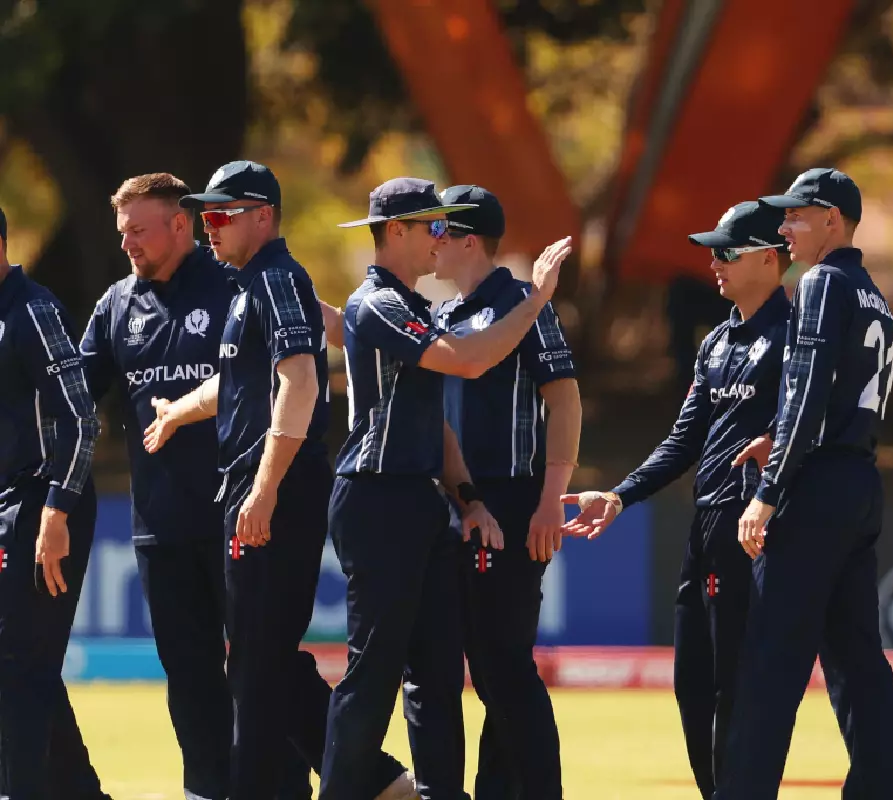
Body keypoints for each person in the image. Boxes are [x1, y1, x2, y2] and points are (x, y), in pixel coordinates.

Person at [141, 161, 413, 800]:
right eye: (205, 215)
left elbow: (300, 382)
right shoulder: (250, 285)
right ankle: (373, 781)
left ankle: (354, 781)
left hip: (278, 491)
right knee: (261, 662)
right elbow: (245, 386)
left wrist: (263, 492)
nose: (208, 228)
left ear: (262, 215)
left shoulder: (276, 278)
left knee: (258, 671)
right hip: (256, 489)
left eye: (220, 215)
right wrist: (178, 412)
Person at [319, 178, 571, 800]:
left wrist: (474, 499)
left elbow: (439, 423)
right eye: (430, 225)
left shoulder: (416, 306)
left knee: (443, 672)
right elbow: (467, 362)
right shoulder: (382, 303)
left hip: (431, 501)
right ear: (398, 231)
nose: (439, 237)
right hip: (377, 497)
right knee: (375, 676)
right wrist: (538, 296)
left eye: (446, 227)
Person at [80, 173, 312, 800]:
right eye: (122, 232)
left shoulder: (234, 285)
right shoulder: (116, 306)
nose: (127, 243)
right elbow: (75, 398)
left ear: (179, 224)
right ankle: (207, 790)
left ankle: (303, 784)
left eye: (139, 230)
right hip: (159, 526)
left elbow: (270, 381)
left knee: (263, 670)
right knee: (188, 678)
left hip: (235, 517)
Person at [564, 201, 790, 799]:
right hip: (706, 522)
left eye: (726, 253)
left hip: (753, 526)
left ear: (770, 259)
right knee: (693, 684)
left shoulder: (796, 338)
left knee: (735, 684)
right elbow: (683, 438)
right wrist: (619, 495)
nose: (711, 264)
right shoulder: (716, 340)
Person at [712, 169, 893, 800]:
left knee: (772, 661)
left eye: (797, 216)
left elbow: (808, 392)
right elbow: (845, 399)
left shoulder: (820, 282)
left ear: (832, 221)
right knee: (858, 663)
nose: (786, 227)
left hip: (813, 489)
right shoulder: (875, 295)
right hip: (858, 483)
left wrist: (769, 492)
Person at [431, 185, 581, 800]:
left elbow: (565, 397)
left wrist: (551, 498)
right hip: (457, 501)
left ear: (468, 239)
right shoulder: (441, 314)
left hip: (512, 498)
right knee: (485, 667)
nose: (429, 242)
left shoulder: (521, 302)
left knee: (503, 666)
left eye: (438, 230)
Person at [0, 205, 111, 799]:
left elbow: (81, 419)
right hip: (12, 506)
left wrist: (56, 511)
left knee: (19, 667)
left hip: (46, 505)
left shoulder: (34, 312)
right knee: (23, 665)